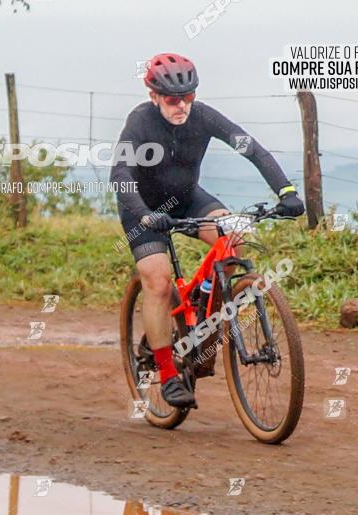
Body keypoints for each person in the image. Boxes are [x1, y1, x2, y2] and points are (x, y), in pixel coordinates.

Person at [111, 53, 304, 408]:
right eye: (172, 99)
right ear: (154, 96)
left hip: (188, 199)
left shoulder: (203, 117)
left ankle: (205, 311)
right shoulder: (139, 122)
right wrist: (143, 214)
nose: (181, 105)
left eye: (188, 97)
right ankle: (168, 373)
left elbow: (253, 149)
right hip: (144, 210)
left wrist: (286, 191)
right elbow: (120, 176)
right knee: (157, 280)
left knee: (234, 239)